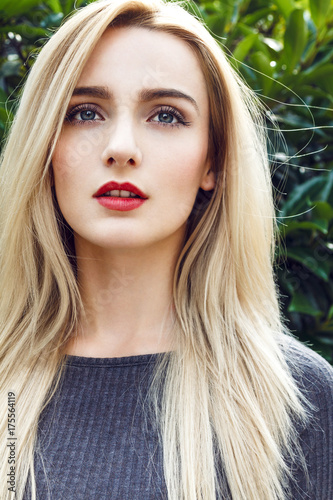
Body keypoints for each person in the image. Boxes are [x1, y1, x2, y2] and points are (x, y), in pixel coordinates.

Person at [0, 0, 332, 498]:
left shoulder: (297, 399)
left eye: (167, 116)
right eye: (85, 112)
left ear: (212, 162)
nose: (121, 147)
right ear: (46, 147)